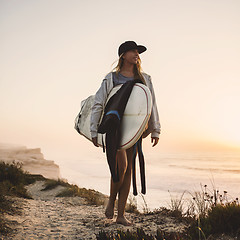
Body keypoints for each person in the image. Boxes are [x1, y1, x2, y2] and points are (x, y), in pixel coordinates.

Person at [90, 41, 161, 226]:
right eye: (133, 51)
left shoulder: (145, 78)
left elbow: (150, 105)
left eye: (138, 52)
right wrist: (94, 129)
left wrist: (155, 129)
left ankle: (120, 215)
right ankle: (111, 201)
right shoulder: (112, 78)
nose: (137, 54)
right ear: (123, 55)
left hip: (135, 130)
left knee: (129, 168)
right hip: (115, 128)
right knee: (120, 167)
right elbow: (99, 102)